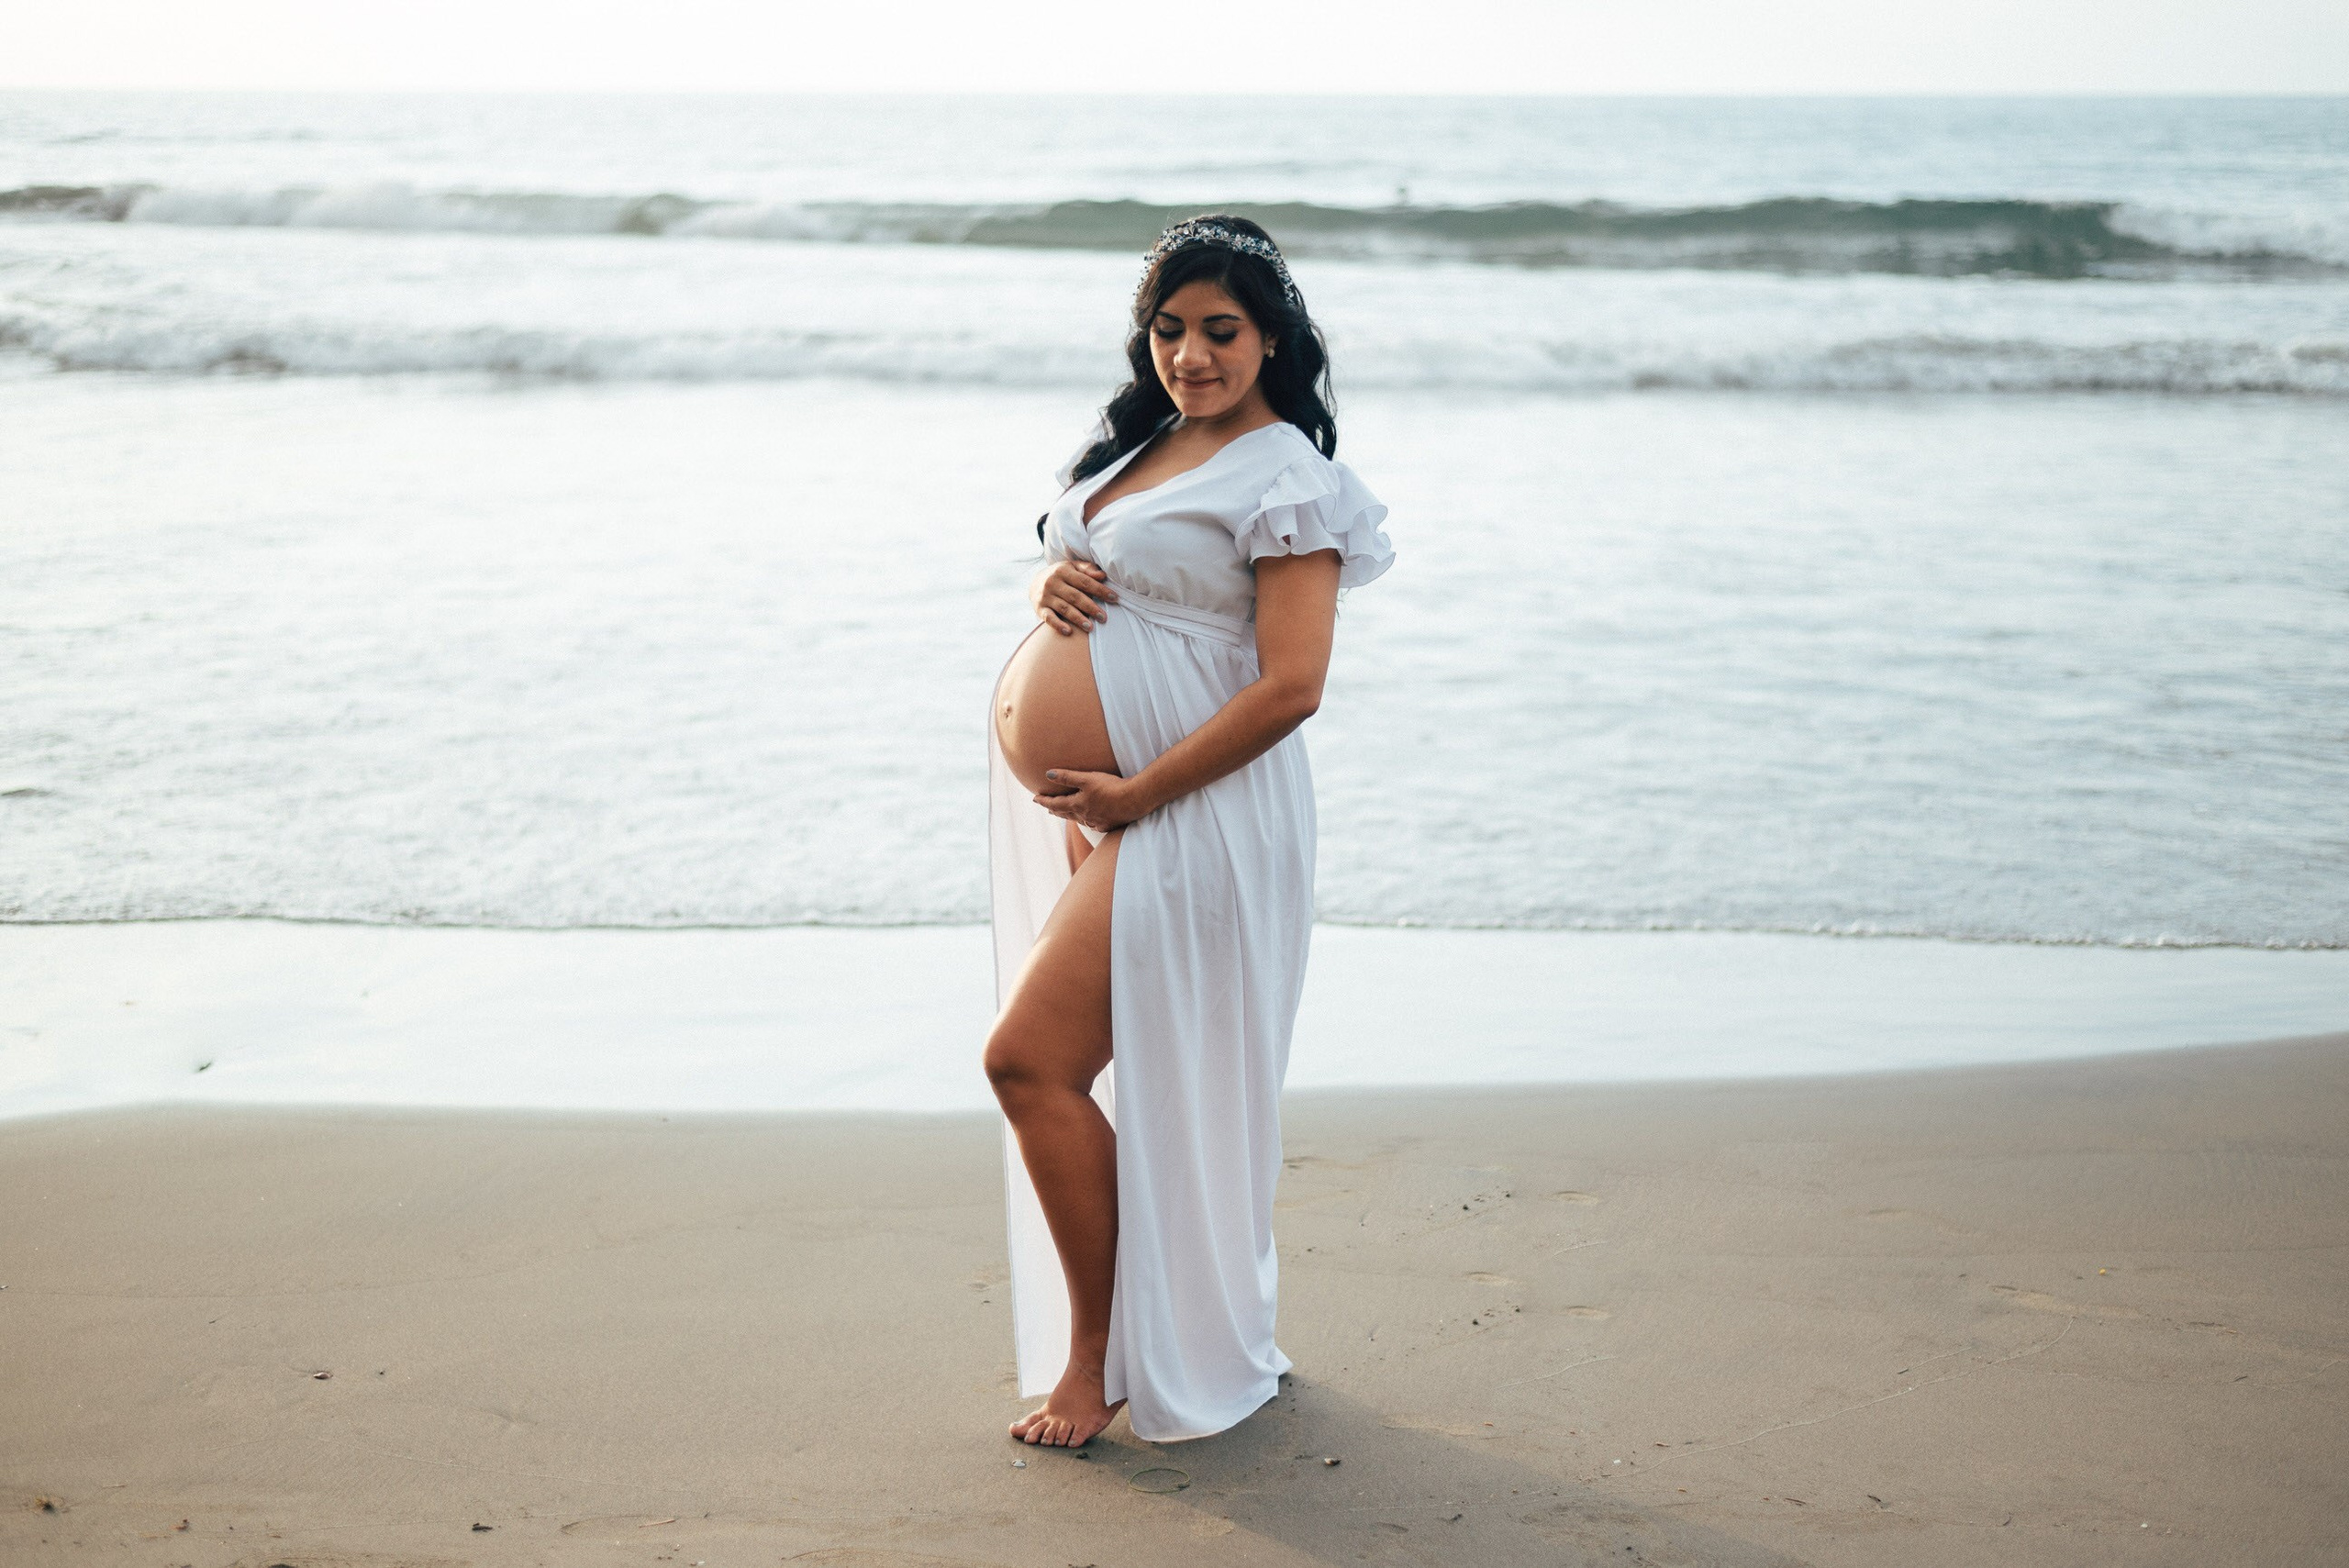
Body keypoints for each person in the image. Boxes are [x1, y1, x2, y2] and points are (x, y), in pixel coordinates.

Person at [985, 215, 1395, 1447]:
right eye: (1168, 330)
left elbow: (1292, 685)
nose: (1191, 355)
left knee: (1028, 1061)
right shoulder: (1148, 447)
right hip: (1116, 809)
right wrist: (1045, 583)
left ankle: (1098, 1361)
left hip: (1192, 811)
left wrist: (1134, 794)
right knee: (1114, 1072)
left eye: (1220, 330)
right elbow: (1111, 577)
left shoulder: (1289, 478)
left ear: (1272, 335)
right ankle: (1133, 1337)